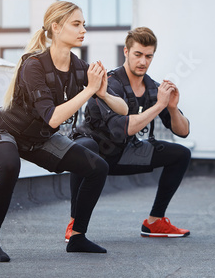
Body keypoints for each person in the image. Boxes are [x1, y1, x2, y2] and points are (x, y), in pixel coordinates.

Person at [0, 1, 128, 261]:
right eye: (76, 24)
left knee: (97, 167)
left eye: (84, 24)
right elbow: (53, 118)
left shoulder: (79, 67)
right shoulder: (33, 65)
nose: (83, 30)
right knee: (10, 165)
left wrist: (101, 92)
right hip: (4, 131)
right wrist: (89, 90)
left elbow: (123, 109)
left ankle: (77, 236)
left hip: (39, 139)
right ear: (56, 28)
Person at [66, 27, 191, 242]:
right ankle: (75, 222)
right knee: (84, 148)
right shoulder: (110, 83)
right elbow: (122, 127)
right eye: (138, 54)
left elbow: (183, 131)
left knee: (181, 154)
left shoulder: (152, 87)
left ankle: (154, 222)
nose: (143, 61)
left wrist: (170, 107)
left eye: (148, 56)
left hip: (125, 152)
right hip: (96, 154)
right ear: (126, 52)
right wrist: (159, 105)